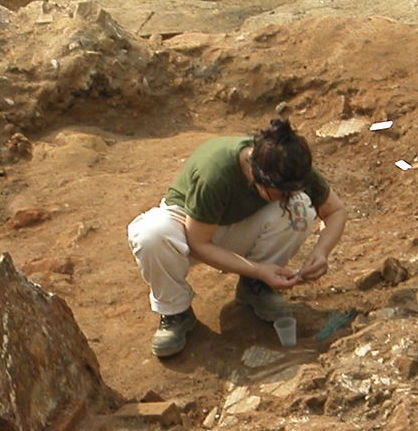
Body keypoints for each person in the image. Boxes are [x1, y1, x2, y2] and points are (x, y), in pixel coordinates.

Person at [127, 118, 348, 358]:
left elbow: (335, 211)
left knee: (301, 208)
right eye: (280, 193)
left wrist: (321, 251)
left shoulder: (287, 165)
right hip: (187, 227)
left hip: (234, 226)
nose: (287, 196)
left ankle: (255, 289)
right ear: (256, 176)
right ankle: (175, 311)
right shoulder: (216, 172)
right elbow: (198, 243)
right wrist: (259, 269)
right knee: (151, 235)